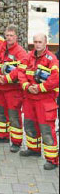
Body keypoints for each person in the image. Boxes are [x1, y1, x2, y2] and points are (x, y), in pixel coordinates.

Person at [18, 33, 59, 170]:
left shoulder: (52, 59)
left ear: (45, 42)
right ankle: (33, 149)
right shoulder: (28, 56)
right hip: (30, 98)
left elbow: (55, 79)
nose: (37, 44)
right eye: (35, 42)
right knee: (30, 125)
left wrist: (40, 88)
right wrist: (27, 86)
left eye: (40, 42)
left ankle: (52, 159)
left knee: (47, 130)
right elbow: (21, 73)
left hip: (44, 100)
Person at [0, 24, 27, 153]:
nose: (9, 38)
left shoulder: (20, 52)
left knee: (13, 115)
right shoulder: (2, 47)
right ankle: (2, 135)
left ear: (16, 37)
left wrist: (6, 79)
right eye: (7, 35)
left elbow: (21, 70)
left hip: (12, 89)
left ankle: (16, 142)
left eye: (11, 36)